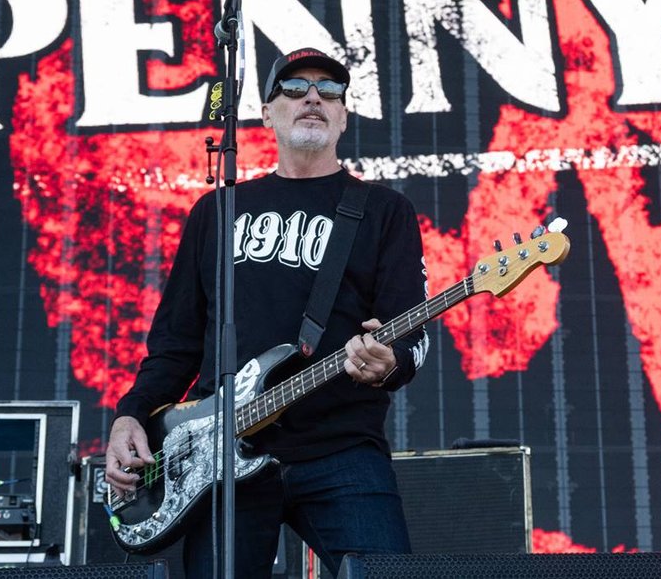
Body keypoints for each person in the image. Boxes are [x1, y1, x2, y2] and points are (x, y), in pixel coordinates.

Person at [105, 47, 430, 578]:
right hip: (218, 457)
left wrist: (390, 362)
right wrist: (131, 415)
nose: (313, 98)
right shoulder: (217, 211)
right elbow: (175, 344)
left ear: (343, 117)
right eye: (295, 88)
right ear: (266, 114)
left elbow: (411, 331)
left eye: (329, 91)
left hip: (341, 448)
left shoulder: (384, 210)